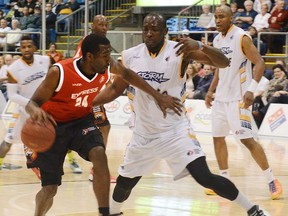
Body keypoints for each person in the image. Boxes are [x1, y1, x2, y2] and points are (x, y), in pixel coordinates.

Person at [92, 13, 268, 216]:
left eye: (155, 29)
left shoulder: (179, 51)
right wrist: (90, 101)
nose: (149, 34)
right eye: (146, 29)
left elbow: (223, 62)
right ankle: (112, 213)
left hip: (175, 131)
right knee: (124, 184)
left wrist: (201, 46)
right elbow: (115, 89)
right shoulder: (131, 55)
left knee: (204, 177)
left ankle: (253, 210)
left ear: (165, 32)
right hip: (143, 133)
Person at [24, 33, 182, 216]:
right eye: (105, 55)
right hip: (53, 126)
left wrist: (158, 96)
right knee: (50, 189)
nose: (109, 60)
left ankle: (104, 212)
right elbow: (32, 103)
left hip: (81, 121)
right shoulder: (58, 72)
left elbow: (128, 75)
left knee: (99, 153)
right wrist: (36, 112)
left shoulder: (107, 67)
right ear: (90, 57)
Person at [204, 5, 283, 200]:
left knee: (247, 140)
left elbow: (260, 63)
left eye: (222, 16)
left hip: (239, 98)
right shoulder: (216, 39)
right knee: (217, 137)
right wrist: (211, 91)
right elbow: (218, 68)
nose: (218, 20)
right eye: (216, 17)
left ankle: (271, 179)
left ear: (231, 18)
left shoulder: (241, 37)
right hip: (221, 98)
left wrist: (251, 89)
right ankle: (224, 181)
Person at [0, 36, 50, 178]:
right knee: (9, 140)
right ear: (20, 49)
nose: (26, 49)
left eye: (29, 46)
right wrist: (30, 105)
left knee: (58, 134)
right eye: (23, 47)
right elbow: (12, 95)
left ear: (35, 47)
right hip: (25, 110)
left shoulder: (44, 61)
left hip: (46, 107)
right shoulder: (13, 69)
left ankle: (70, 162)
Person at [74, 14, 115, 182]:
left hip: (93, 91)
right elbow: (77, 63)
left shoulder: (103, 43)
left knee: (104, 127)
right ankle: (97, 170)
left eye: (106, 24)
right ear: (93, 25)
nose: (104, 27)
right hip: (87, 93)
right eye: (101, 24)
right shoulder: (88, 42)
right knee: (103, 128)